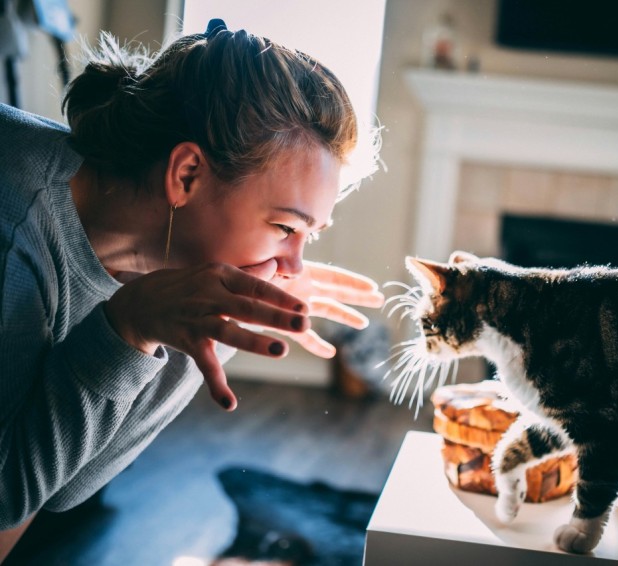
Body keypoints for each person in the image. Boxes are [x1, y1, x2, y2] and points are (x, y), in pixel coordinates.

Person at [0, 19, 384, 558]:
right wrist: (125, 326)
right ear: (186, 175)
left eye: (310, 236)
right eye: (284, 228)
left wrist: (204, 321)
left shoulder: (150, 259)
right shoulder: (15, 234)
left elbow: (70, 490)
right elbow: (7, 500)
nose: (295, 265)